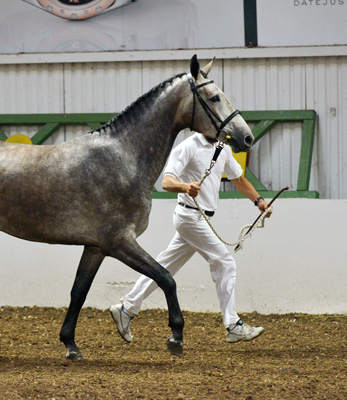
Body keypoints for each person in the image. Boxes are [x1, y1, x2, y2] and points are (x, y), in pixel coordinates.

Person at [109, 131, 272, 343]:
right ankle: (233, 325)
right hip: (190, 217)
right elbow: (167, 182)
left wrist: (259, 201)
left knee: (165, 267)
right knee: (225, 263)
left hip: (201, 217)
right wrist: (185, 186)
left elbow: (238, 179)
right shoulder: (188, 147)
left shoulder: (222, 148)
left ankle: (126, 308)